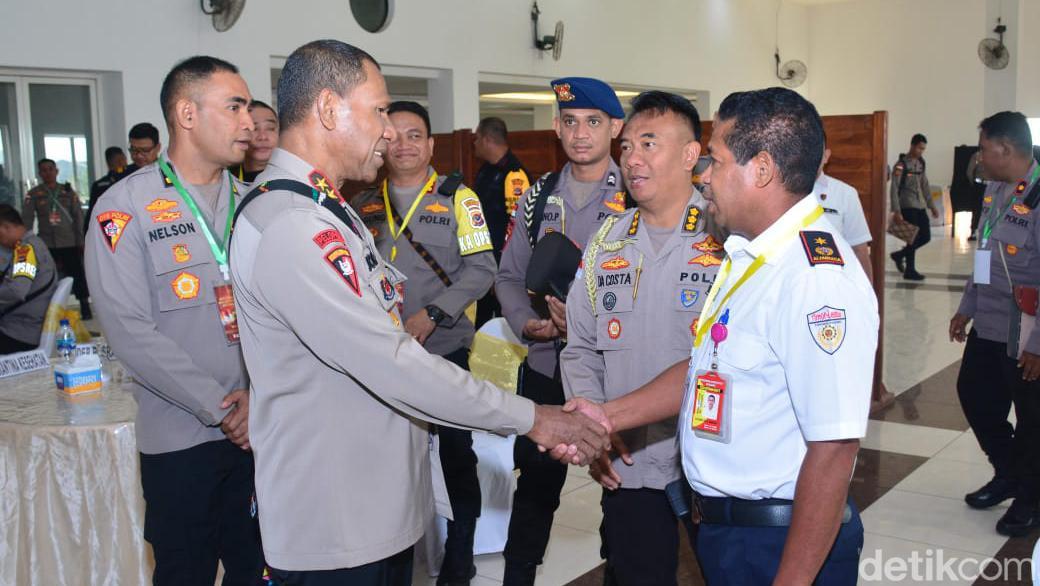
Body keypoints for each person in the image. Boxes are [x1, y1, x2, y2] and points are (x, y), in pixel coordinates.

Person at [227, 39, 608, 585]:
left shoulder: (329, 208)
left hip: (368, 503)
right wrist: (536, 418)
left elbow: (477, 272)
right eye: (379, 110)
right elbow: (391, 362)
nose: (388, 130)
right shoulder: (294, 221)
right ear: (330, 110)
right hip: (336, 522)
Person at [558, 87, 879, 585]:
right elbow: (703, 368)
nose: (704, 175)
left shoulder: (814, 279)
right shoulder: (752, 258)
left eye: (718, 160)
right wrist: (606, 416)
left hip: (777, 538)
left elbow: (833, 450)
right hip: (730, 529)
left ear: (763, 169)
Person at [84, 55, 264, 585]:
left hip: (262, 431)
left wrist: (260, 397)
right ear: (186, 114)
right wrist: (220, 407)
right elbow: (128, 331)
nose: (249, 122)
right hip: (181, 440)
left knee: (261, 572)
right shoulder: (125, 208)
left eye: (250, 108)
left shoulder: (255, 203)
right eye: (234, 107)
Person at [561, 90, 721, 585]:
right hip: (627, 462)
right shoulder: (607, 239)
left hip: (710, 463)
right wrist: (591, 430)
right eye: (627, 146)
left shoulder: (726, 237)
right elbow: (581, 346)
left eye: (649, 144)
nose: (632, 159)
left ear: (691, 155)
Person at [352, 100, 497, 585]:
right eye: (394, 135)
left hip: (443, 349)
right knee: (388, 457)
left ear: (431, 145)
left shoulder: (460, 199)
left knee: (455, 453)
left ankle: (459, 557)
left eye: (416, 135)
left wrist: (433, 314)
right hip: (381, 354)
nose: (405, 145)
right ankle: (397, 557)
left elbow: (483, 269)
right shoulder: (362, 205)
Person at [495, 76, 626, 586]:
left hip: (617, 374)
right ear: (556, 127)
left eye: (593, 122)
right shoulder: (536, 198)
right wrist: (525, 323)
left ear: (615, 127)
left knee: (622, 493)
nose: (581, 133)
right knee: (535, 492)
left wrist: (592, 327)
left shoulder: (637, 197)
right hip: (548, 367)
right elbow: (508, 277)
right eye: (570, 122)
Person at [950, 111, 1040, 537]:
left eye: (984, 148)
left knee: (1032, 417)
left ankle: (1030, 497)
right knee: (975, 395)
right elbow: (985, 255)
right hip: (989, 324)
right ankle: (1008, 472)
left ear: (1005, 149)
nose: (979, 157)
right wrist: (967, 305)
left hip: (1027, 333)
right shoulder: (996, 191)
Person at [472, 116, 531, 327]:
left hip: (503, 267)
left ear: (487, 139)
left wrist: (499, 269)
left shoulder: (514, 174)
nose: (474, 144)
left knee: (505, 322)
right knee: (482, 323)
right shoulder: (486, 170)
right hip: (484, 262)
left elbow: (518, 228)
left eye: (477, 138)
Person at [23, 158, 90, 319]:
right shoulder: (34, 194)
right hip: (47, 243)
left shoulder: (67, 191)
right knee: (48, 277)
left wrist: (81, 241)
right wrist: (26, 242)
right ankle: (50, 310)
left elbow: (78, 217)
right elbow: (27, 219)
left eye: (50, 169)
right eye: (44, 170)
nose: (48, 173)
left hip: (69, 241)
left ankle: (84, 305)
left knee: (77, 275)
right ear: (39, 173)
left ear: (56, 171)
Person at [812, 139, 873, 282]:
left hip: (834, 283)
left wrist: (868, 297)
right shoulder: (779, 192)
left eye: (814, 150)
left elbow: (859, 249)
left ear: (826, 156)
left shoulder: (845, 193)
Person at [0, 204, 57, 353]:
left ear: (5, 227)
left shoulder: (26, 250)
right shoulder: (34, 244)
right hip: (24, 326)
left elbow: (16, 290)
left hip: (19, 332)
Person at [889, 133, 938, 281]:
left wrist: (932, 206)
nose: (921, 151)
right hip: (907, 205)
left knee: (926, 236)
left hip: (920, 204)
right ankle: (910, 270)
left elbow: (925, 185)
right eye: (919, 148)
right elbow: (894, 188)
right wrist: (896, 210)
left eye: (923, 149)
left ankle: (899, 255)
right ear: (912, 146)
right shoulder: (901, 164)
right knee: (912, 238)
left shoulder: (921, 163)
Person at [230, 100, 279, 183]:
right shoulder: (226, 179)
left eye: (270, 128)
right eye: (254, 128)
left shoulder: (296, 177)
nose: (263, 137)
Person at [87, 146, 128, 228]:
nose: (124, 163)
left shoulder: (130, 180)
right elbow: (92, 212)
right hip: (110, 225)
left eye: (124, 159)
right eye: (120, 160)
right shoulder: (99, 185)